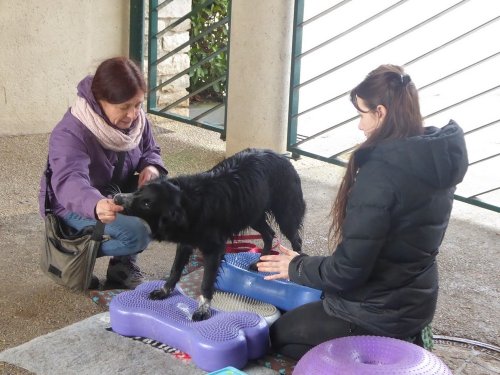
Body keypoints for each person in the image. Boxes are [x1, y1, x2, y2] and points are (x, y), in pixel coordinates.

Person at [257, 64, 469, 360]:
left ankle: (376, 355)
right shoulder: (435, 157)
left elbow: (348, 271)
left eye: (361, 113)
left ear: (380, 112)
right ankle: (405, 340)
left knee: (278, 337)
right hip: (416, 304)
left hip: (376, 313)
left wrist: (295, 267)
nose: (360, 125)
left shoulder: (380, 175)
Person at [39, 56, 168, 289]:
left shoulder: (137, 121)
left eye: (138, 104)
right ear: (100, 101)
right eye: (124, 107)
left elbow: (151, 149)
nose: (133, 115)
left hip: (114, 191)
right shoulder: (71, 131)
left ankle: (122, 267)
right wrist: (96, 204)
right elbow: (69, 181)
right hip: (75, 203)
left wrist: (151, 167)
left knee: (163, 199)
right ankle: (72, 254)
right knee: (139, 233)